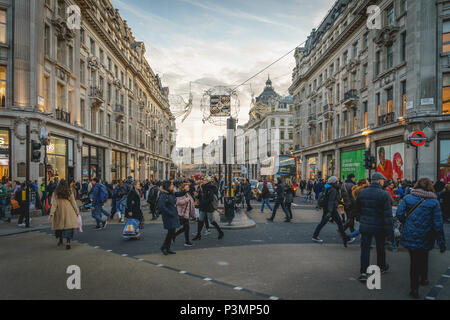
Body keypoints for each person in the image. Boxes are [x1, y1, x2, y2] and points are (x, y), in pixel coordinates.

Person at [396, 178, 446, 299]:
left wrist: (406, 222)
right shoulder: (434, 202)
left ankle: (414, 289)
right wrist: (441, 241)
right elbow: (438, 223)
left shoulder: (408, 198)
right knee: (424, 255)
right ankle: (423, 278)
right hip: (426, 234)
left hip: (410, 233)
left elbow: (399, 213)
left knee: (414, 261)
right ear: (430, 187)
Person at [354, 172, 393, 282]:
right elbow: (387, 214)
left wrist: (360, 219)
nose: (384, 182)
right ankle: (381, 266)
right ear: (379, 181)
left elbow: (357, 209)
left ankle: (363, 272)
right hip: (380, 226)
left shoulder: (362, 192)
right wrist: (390, 231)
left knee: (365, 249)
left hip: (365, 225)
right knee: (380, 247)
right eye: (383, 180)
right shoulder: (384, 194)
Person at [312, 176, 351, 246]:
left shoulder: (327, 188)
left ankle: (346, 238)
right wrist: (330, 211)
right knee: (334, 223)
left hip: (328, 209)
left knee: (337, 223)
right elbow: (331, 201)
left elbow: (336, 200)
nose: (337, 183)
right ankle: (315, 236)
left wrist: (342, 203)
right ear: (333, 182)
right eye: (336, 182)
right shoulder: (333, 190)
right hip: (331, 210)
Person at [158, 180, 188, 255]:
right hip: (168, 216)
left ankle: (167, 248)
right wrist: (170, 212)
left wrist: (185, 190)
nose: (173, 186)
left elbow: (178, 194)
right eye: (171, 185)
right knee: (170, 232)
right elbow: (162, 207)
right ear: (167, 186)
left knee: (171, 232)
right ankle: (164, 247)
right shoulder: (164, 195)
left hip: (173, 215)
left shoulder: (171, 193)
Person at [48, 180, 80, 250]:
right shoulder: (69, 191)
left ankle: (60, 240)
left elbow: (54, 204)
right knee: (69, 227)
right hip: (69, 210)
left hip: (59, 211)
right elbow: (73, 202)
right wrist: (77, 212)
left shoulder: (55, 193)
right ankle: (68, 242)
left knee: (60, 226)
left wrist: (51, 213)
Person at [174, 183, 196, 247]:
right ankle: (186, 241)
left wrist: (193, 214)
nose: (188, 188)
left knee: (185, 228)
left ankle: (174, 236)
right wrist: (186, 200)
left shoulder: (188, 194)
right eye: (186, 187)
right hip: (182, 214)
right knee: (185, 228)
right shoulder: (180, 194)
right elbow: (178, 202)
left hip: (186, 214)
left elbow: (191, 204)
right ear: (183, 188)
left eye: (188, 187)